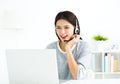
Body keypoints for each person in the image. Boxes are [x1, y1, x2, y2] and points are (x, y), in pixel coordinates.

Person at [46, 10, 92, 80]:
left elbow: (77, 77)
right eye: (58, 28)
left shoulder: (84, 46)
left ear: (75, 29)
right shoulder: (50, 48)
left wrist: (68, 48)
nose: (62, 32)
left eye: (66, 27)